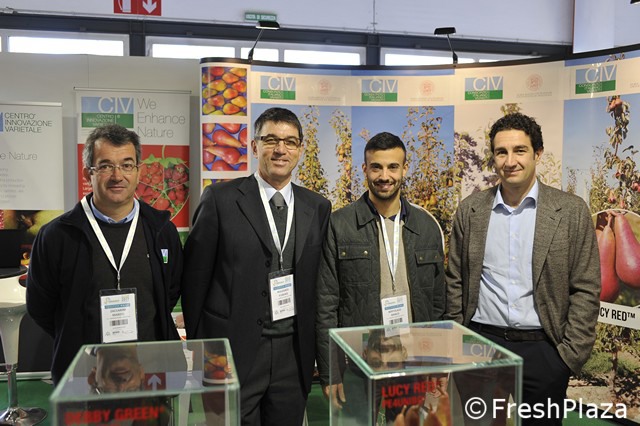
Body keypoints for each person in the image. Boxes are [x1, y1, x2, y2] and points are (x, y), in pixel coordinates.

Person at [445, 113, 601, 425]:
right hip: (480, 346)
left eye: (520, 150)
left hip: (545, 351)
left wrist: (567, 357)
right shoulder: (471, 211)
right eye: (501, 152)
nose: (510, 161)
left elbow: (586, 286)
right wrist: (458, 342)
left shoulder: (570, 211)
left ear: (537, 153)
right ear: (493, 157)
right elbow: (455, 280)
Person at [181, 107, 331, 426]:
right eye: (271, 140)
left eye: (290, 142)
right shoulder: (220, 199)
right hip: (231, 350)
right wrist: (202, 347)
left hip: (293, 353)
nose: (280, 149)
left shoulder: (317, 207)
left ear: (300, 149)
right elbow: (194, 279)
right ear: (254, 146)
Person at [26, 124, 183, 384]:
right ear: (88, 173)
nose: (117, 175)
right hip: (82, 374)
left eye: (127, 165)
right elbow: (41, 307)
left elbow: (170, 291)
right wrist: (75, 338)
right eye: (106, 166)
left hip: (152, 372)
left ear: (138, 171)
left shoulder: (161, 230)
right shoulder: (57, 236)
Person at [316, 131, 446, 411]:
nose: (384, 176)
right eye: (376, 167)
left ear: (405, 169)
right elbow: (326, 303)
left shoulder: (426, 227)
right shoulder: (340, 225)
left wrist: (438, 363)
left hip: (413, 361)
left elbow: (438, 304)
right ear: (365, 169)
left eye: (392, 167)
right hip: (359, 361)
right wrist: (331, 372)